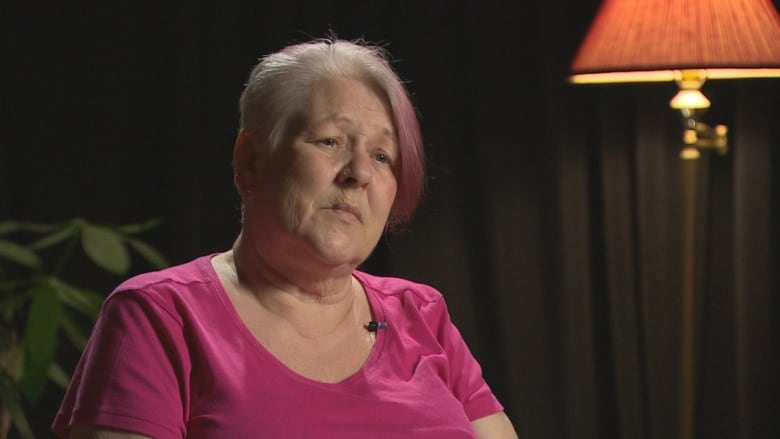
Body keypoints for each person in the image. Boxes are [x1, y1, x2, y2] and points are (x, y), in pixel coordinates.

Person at [52, 38, 518, 438]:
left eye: (382, 156)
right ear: (251, 160)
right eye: (330, 141)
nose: (358, 173)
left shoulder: (422, 314)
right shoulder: (158, 317)